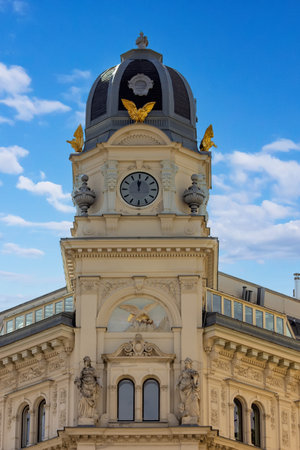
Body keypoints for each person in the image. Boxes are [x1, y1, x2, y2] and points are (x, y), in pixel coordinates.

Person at [177, 357, 200, 422]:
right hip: (183, 387)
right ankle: (185, 413)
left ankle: (191, 415)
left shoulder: (192, 371)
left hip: (189, 387)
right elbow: (180, 378)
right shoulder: (183, 372)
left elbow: (196, 376)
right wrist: (177, 384)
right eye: (185, 363)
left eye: (187, 363)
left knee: (190, 400)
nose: (186, 364)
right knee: (184, 400)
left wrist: (194, 382)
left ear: (190, 364)